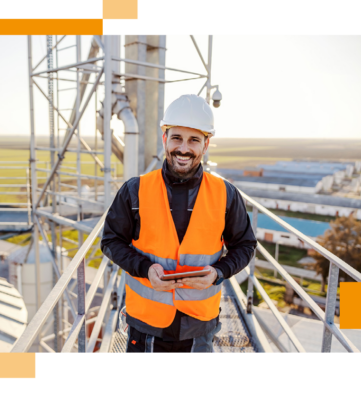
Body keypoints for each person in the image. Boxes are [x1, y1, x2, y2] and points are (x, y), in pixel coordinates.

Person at [101, 94, 256, 353]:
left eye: (194, 140)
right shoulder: (134, 191)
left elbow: (245, 245)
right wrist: (145, 268)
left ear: (206, 145)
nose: (183, 148)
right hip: (146, 326)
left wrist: (218, 273)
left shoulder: (226, 195)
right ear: (165, 139)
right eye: (176, 138)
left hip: (199, 328)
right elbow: (110, 241)